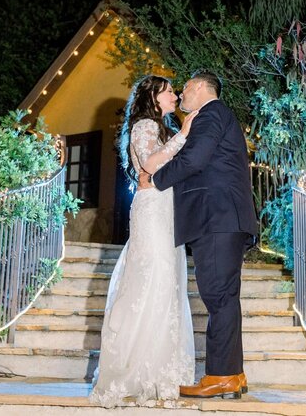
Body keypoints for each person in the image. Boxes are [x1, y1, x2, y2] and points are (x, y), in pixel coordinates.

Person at [143, 70, 258, 399]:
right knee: (223, 297)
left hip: (217, 217)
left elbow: (194, 159)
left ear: (202, 88)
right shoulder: (215, 115)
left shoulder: (210, 113)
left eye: (187, 89)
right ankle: (232, 374)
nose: (181, 95)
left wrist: (157, 181)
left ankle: (220, 375)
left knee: (219, 296)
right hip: (221, 218)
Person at [89, 75, 198, 408]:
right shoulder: (144, 127)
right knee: (153, 280)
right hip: (152, 210)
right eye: (169, 92)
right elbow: (150, 164)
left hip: (168, 209)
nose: (175, 96)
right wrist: (183, 135)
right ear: (153, 97)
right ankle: (135, 371)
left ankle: (161, 372)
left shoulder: (161, 127)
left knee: (169, 284)